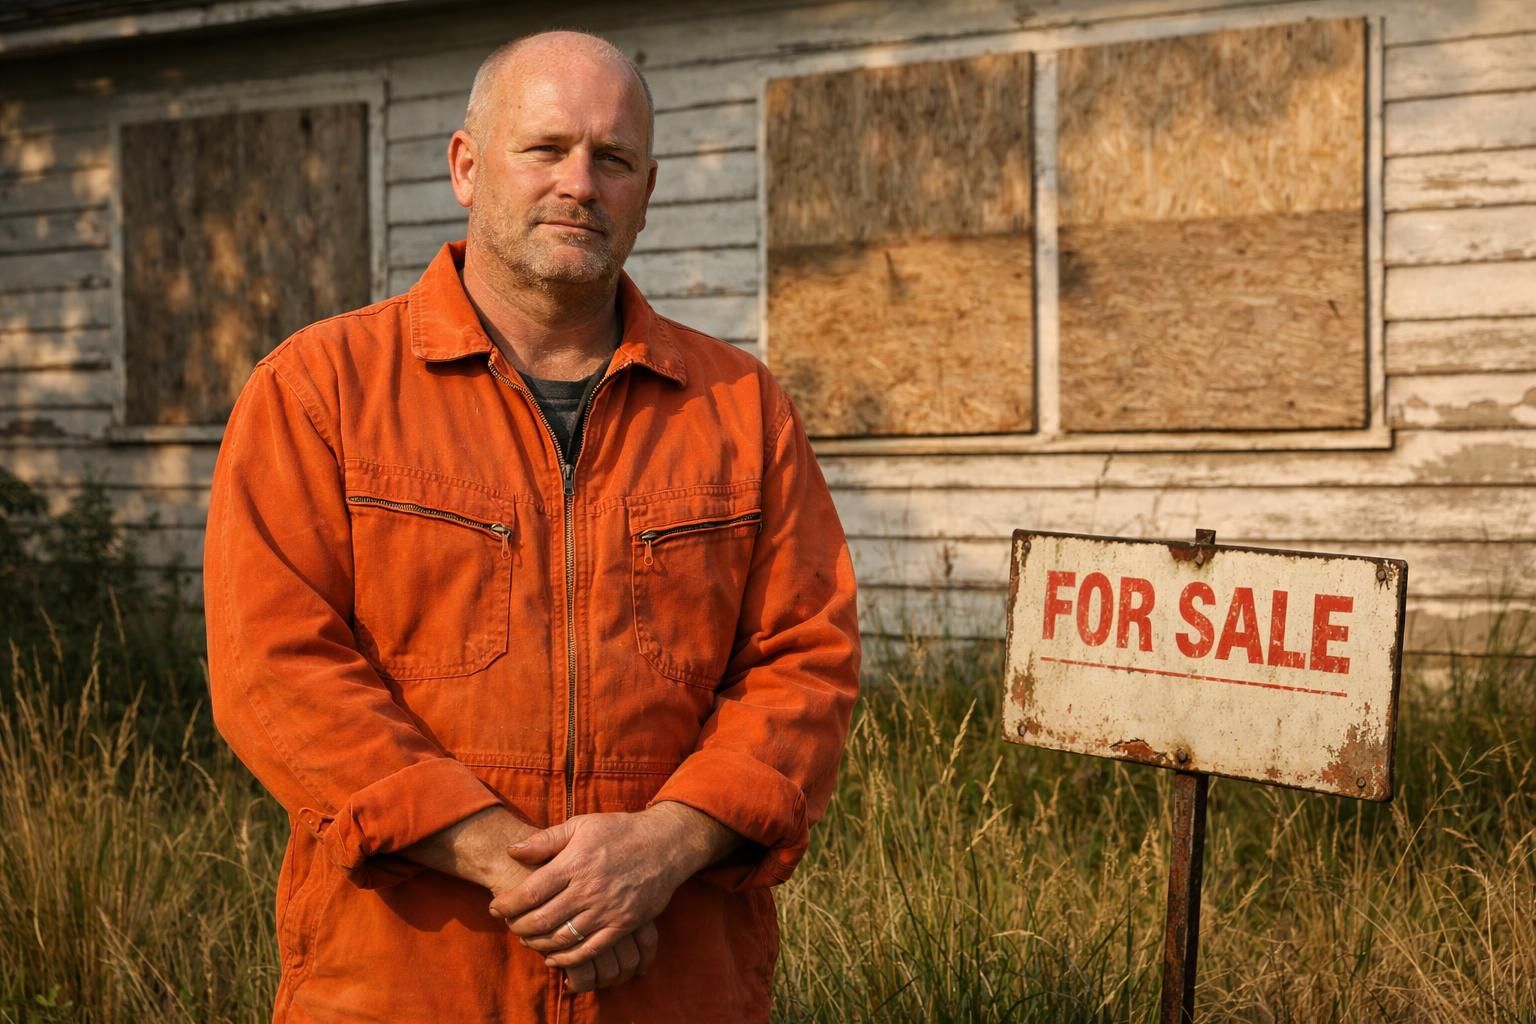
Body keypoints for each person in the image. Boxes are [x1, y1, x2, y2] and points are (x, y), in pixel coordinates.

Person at [203, 28, 860, 1024]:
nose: (580, 183)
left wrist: (666, 845)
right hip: (404, 982)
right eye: (545, 148)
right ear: (468, 165)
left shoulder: (740, 409)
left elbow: (805, 663)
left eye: (613, 158)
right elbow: (275, 670)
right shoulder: (319, 392)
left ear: (649, 185)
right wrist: (519, 868)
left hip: (670, 981)